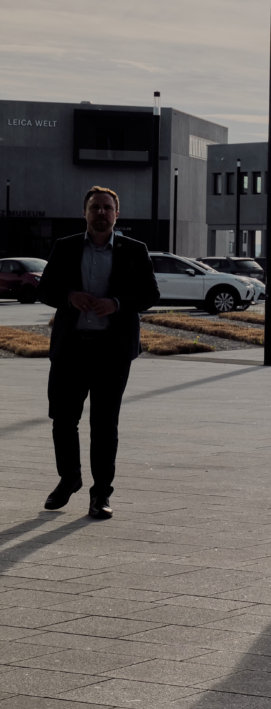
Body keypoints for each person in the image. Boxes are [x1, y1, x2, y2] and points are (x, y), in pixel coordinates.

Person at [36, 186, 160, 520]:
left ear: (117, 214)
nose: (101, 213)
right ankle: (69, 479)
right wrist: (69, 296)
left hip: (112, 351)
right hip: (70, 348)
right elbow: (44, 289)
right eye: (95, 207)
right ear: (85, 212)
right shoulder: (65, 247)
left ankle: (101, 494)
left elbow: (150, 294)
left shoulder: (135, 250)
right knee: (63, 420)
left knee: (104, 424)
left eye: (107, 208)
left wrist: (117, 304)